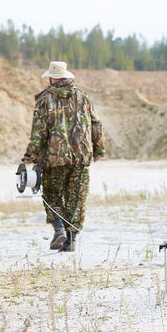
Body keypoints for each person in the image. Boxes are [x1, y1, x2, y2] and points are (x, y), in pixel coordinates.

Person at [23, 61, 105, 252]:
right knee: (76, 198)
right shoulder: (83, 96)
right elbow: (96, 123)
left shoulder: (44, 99)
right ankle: (71, 240)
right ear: (67, 76)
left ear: (52, 78)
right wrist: (98, 149)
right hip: (80, 157)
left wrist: (30, 154)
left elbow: (39, 131)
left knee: (52, 195)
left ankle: (59, 229)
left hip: (54, 159)